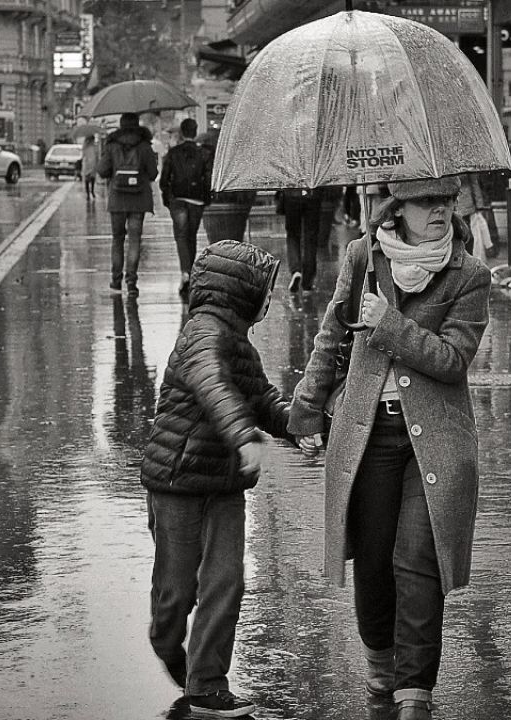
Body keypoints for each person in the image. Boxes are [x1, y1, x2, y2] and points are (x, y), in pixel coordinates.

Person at [287, 177, 491, 720]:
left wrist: (391, 324)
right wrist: (306, 407)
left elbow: (453, 360)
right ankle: (381, 662)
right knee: (374, 561)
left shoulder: (469, 274)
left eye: (448, 203)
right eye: (429, 204)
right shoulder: (363, 257)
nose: (442, 213)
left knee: (417, 560)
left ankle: (414, 693)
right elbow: (332, 336)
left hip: (437, 444)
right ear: (397, 209)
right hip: (368, 435)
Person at [140, 239, 293, 719]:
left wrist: (306, 425)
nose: (269, 300)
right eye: (265, 290)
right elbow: (214, 386)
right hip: (178, 482)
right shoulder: (202, 335)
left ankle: (206, 684)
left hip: (225, 487)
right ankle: (167, 642)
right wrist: (244, 436)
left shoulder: (240, 344)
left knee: (226, 582)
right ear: (240, 291)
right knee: (176, 594)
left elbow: (262, 398)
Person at [97, 112, 158, 298]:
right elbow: (154, 173)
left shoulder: (112, 145)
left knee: (117, 239)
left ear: (121, 125)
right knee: (134, 240)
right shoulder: (145, 146)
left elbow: (102, 171)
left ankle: (116, 281)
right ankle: (131, 282)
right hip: (138, 199)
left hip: (117, 199)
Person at [160, 118, 213, 297]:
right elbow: (208, 179)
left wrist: (167, 198)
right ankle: (190, 272)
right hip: (196, 201)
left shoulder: (173, 153)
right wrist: (206, 198)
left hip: (178, 200)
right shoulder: (203, 153)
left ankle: (186, 272)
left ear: (182, 133)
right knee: (191, 236)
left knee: (181, 237)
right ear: (195, 131)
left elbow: (164, 179)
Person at [277, 187, 323, 293]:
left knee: (293, 235)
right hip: (313, 194)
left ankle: (296, 270)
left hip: (291, 194)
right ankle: (308, 281)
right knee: (311, 237)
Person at [80, 134, 100, 200]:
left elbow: (83, 156)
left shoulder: (86, 147)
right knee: (91, 179)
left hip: (88, 164)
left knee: (88, 179)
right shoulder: (93, 147)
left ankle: (89, 193)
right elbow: (97, 156)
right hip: (91, 164)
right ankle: (91, 192)